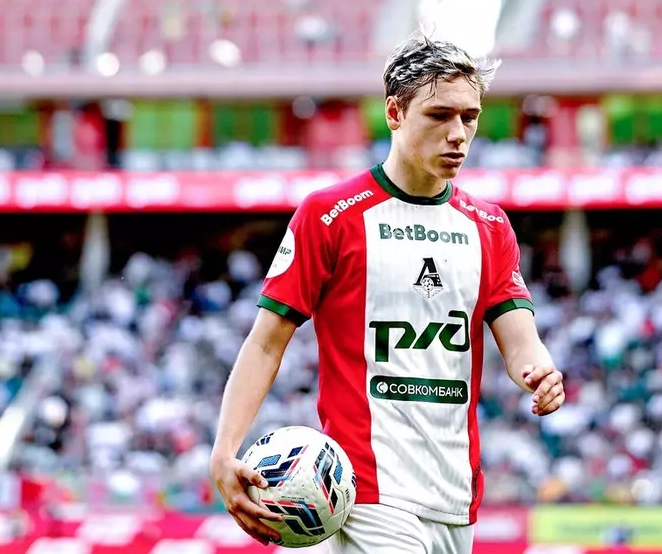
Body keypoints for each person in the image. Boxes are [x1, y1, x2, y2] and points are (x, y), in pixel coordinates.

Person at [209, 34, 565, 554]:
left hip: (455, 497)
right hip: (367, 495)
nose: (458, 134)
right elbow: (265, 342)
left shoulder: (489, 226)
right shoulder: (330, 215)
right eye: (439, 115)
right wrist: (225, 449)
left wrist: (539, 371)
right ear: (395, 113)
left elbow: (521, 341)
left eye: (469, 117)